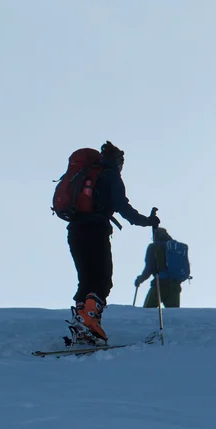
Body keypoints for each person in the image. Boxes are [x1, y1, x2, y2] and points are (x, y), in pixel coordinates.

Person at [66, 141, 159, 344]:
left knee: (86, 280)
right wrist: (147, 221)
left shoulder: (87, 175)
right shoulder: (110, 175)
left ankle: (82, 323)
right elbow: (123, 207)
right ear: (117, 160)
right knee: (102, 280)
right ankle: (88, 323)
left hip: (74, 230)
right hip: (96, 230)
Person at [134, 227, 186, 308]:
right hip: (175, 285)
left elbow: (149, 268)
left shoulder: (153, 247)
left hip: (160, 284)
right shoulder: (175, 248)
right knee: (172, 315)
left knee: (147, 312)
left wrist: (140, 279)